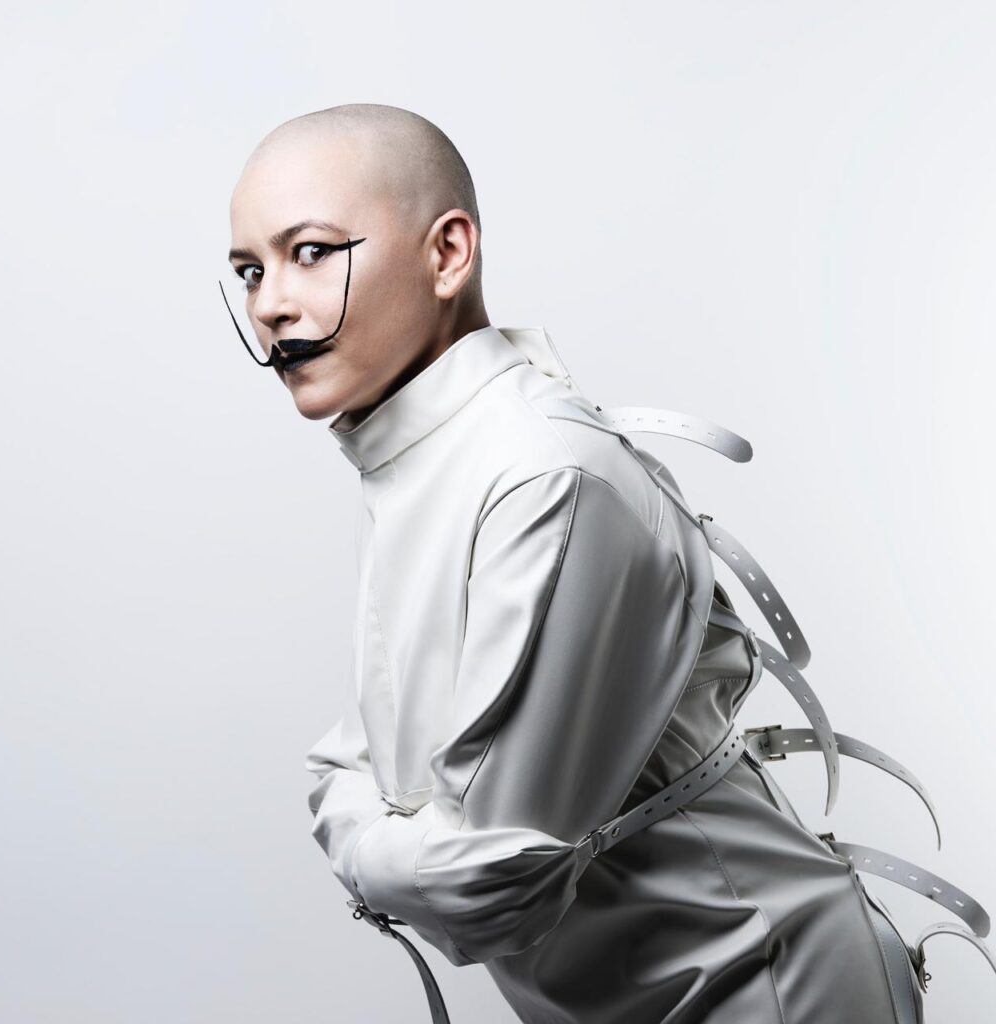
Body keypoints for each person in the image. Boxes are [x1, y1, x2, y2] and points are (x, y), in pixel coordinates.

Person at [224, 103, 949, 1023]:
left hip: (765, 992)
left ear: (448, 254)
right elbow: (360, 756)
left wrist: (363, 838)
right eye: (250, 270)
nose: (269, 304)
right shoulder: (426, 458)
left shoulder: (543, 476)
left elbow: (486, 885)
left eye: (311, 252)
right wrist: (384, 815)